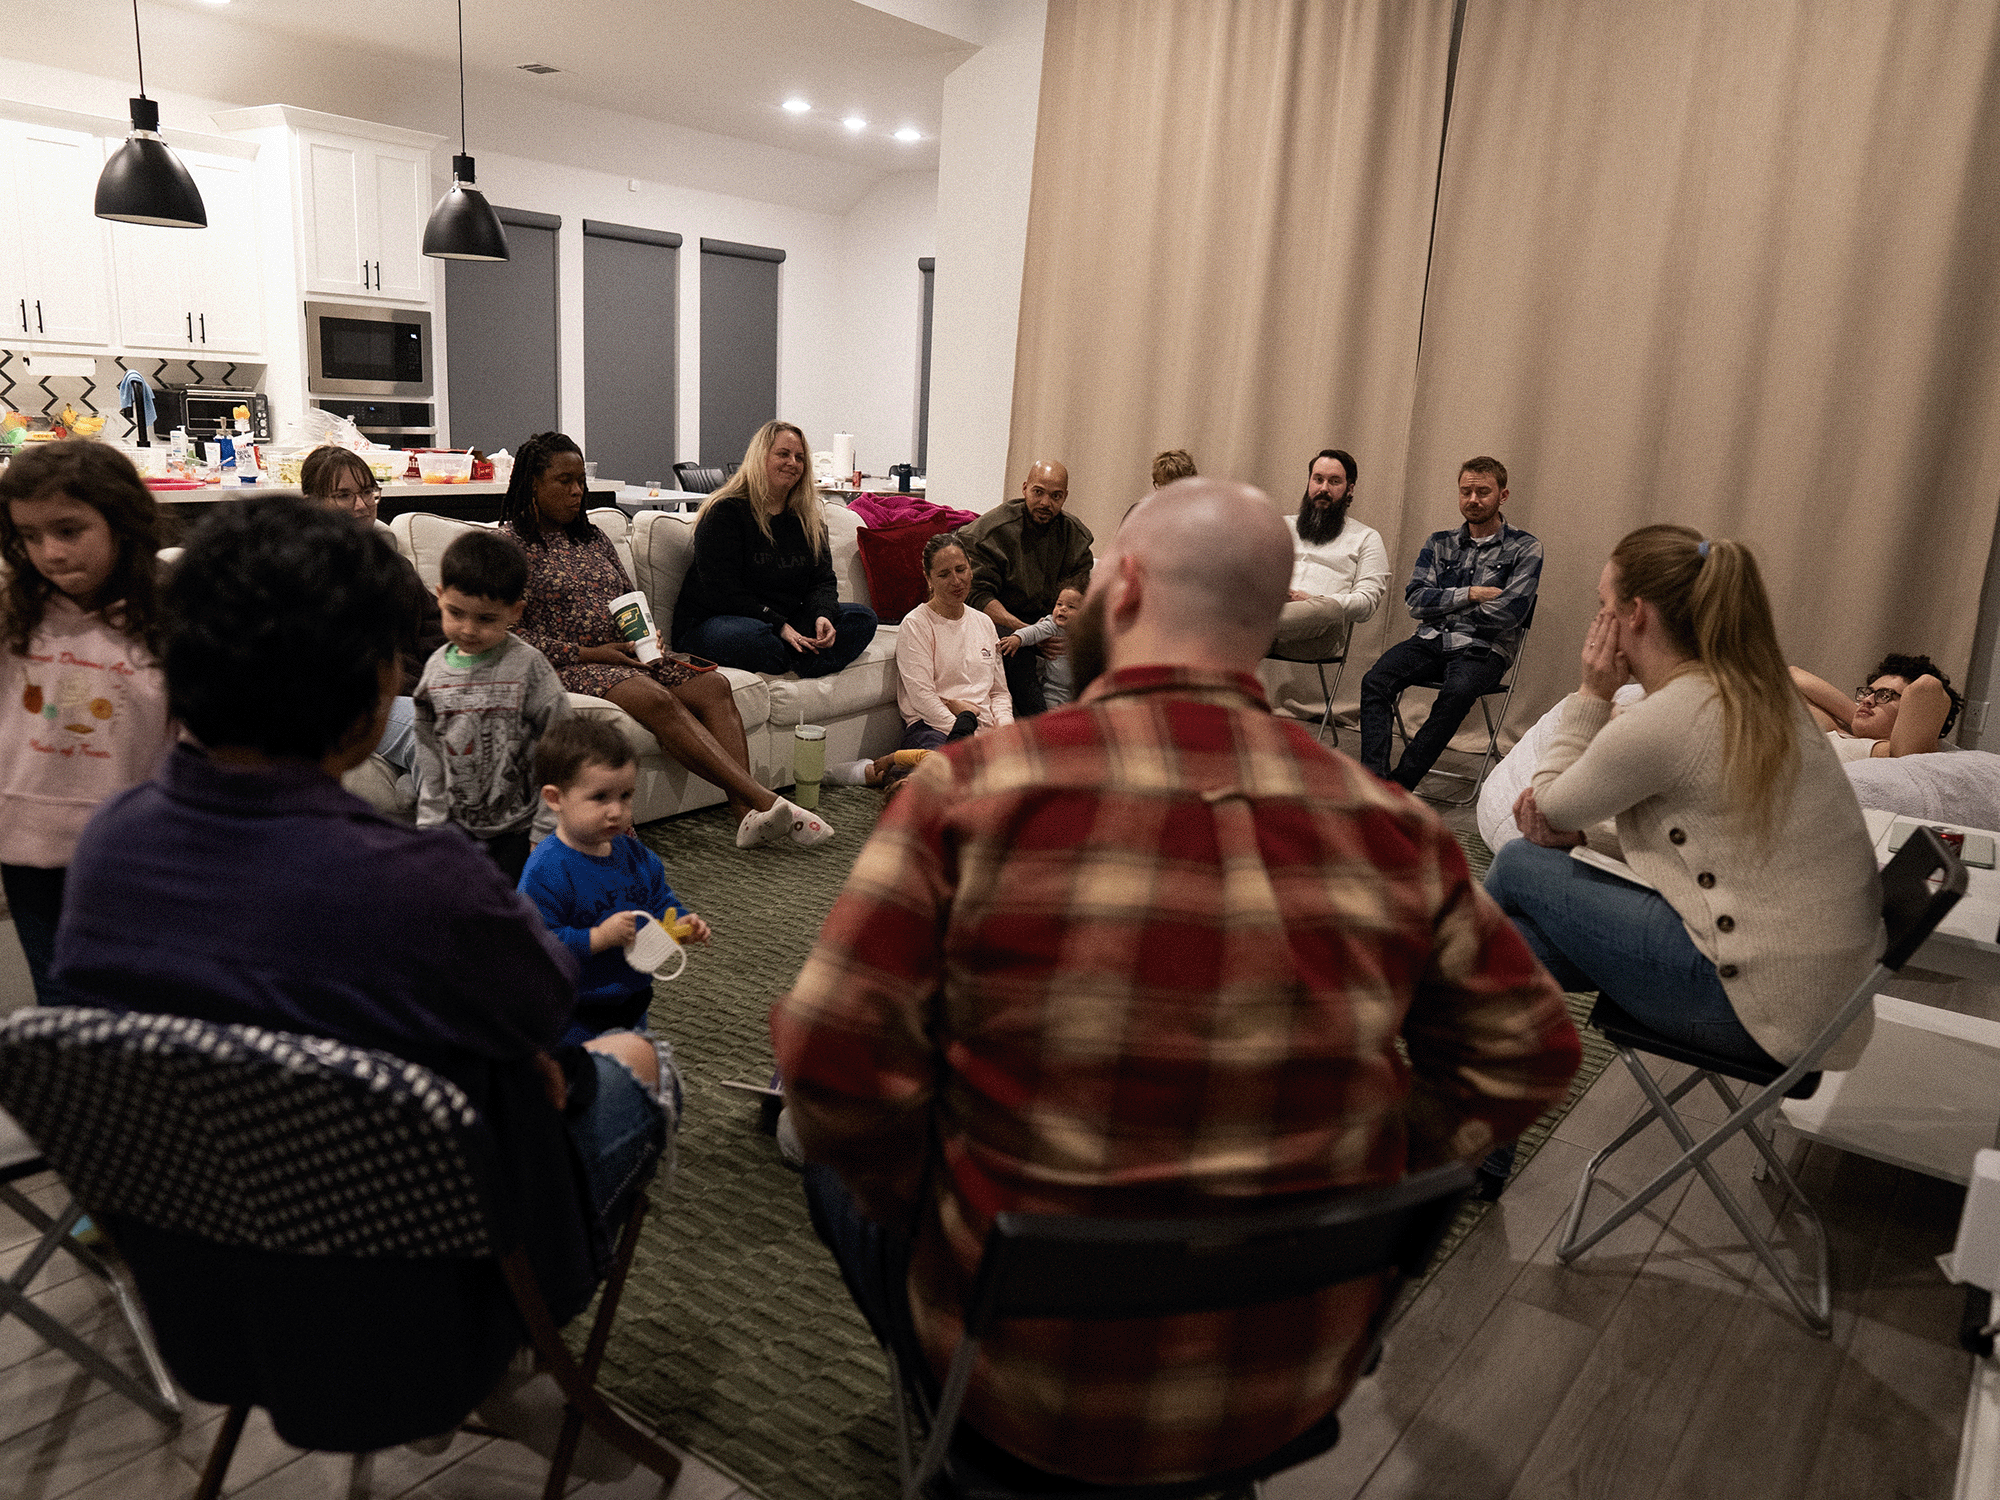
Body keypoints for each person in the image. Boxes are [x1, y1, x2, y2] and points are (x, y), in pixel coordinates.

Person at [772, 476, 1580, 1488]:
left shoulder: (969, 795)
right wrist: (1370, 1191)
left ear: (1125, 593)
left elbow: (829, 1059)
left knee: (813, 1150)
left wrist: (929, 1196)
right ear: (1266, 620)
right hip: (1284, 1373)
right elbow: (1529, 1047)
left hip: (1027, 1378)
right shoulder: (1397, 830)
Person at [50, 496, 680, 1464]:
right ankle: (502, 1353)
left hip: (216, 1300)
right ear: (370, 694)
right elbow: (542, 1002)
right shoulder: (428, 883)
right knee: (638, 1062)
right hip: (421, 1296)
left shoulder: (107, 849)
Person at [1481, 526, 1880, 1194]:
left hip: (1756, 1008)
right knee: (1514, 951)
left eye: (1603, 606)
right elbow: (1704, 842)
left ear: (1636, 614)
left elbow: (1548, 802)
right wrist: (1581, 840)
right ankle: (1478, 1151)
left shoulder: (1671, 716)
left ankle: (1412, 1032)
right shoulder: (1753, 692)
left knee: (1519, 867)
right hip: (1819, 1007)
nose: (1597, 624)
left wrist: (1592, 693)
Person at [499, 431, 830, 850]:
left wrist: (646, 633)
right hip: (574, 663)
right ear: (532, 483)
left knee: (714, 686)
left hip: (630, 652)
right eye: (564, 481)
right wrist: (591, 652)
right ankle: (763, 800)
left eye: (580, 481)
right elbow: (510, 633)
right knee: (656, 699)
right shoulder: (510, 546)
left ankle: (745, 817)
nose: (577, 491)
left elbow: (627, 598)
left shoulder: (593, 537)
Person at [0, 441, 175, 1006]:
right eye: (29, 536)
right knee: (61, 1004)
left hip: (137, 851)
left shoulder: (174, 614)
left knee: (145, 1003)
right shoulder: (12, 611)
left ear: (121, 521)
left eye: (69, 530)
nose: (49, 553)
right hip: (26, 850)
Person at [519, 717, 711, 1047]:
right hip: (571, 1013)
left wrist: (679, 924)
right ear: (554, 798)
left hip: (632, 999)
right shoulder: (547, 869)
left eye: (625, 796)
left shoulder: (636, 856)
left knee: (634, 1067)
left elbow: (659, 902)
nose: (616, 811)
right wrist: (597, 938)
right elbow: (535, 945)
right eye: (600, 797)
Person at [1358, 457, 1541, 791]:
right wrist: (1471, 594)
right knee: (1375, 681)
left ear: (1503, 495)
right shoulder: (1438, 542)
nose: (1473, 499)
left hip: (1484, 649)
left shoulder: (1525, 547)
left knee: (1457, 693)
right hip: (1431, 639)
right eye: (1465, 491)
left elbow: (1510, 612)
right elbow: (1415, 601)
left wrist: (1443, 605)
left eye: (1482, 492)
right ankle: (1373, 781)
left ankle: (1398, 788)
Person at [412, 530, 568, 883]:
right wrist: (430, 825)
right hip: (457, 827)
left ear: (515, 612)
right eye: (456, 613)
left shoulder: (528, 667)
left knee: (519, 907)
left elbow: (560, 744)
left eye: (485, 619)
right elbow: (430, 755)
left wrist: (547, 828)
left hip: (521, 830)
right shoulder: (434, 672)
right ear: (439, 597)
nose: (468, 629)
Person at [672, 421, 878, 678]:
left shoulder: (807, 520)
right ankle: (800, 658)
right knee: (757, 639)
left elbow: (822, 581)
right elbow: (722, 592)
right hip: (720, 620)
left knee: (862, 618)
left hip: (783, 620)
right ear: (761, 457)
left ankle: (792, 660)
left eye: (799, 457)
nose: (793, 462)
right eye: (783, 454)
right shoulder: (725, 512)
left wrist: (822, 615)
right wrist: (779, 625)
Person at [300, 444, 444, 777]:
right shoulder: (302, 571)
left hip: (418, 694)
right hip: (359, 705)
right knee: (434, 737)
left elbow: (436, 629)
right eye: (343, 495)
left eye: (367, 492)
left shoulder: (392, 566)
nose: (362, 506)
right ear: (312, 504)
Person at [962, 459, 1094, 717]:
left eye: (1055, 496)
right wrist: (1027, 632)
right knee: (1014, 648)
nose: (1045, 502)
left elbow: (1081, 596)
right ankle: (1039, 722)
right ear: (1024, 488)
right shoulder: (993, 531)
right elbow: (978, 595)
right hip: (1002, 620)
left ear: (1065, 497)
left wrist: (1072, 633)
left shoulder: (1075, 538)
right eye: (1038, 492)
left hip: (1052, 621)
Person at [1270, 448, 1391, 661]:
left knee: (1327, 609)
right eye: (1318, 479)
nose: (1324, 488)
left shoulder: (1366, 537)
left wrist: (1314, 601)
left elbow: (1367, 602)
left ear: (1349, 489)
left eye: (1334, 482)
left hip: (1320, 632)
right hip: (1272, 621)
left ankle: (1243, 625)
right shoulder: (1281, 526)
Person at [896, 532, 1013, 749]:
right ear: (929, 579)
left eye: (961, 570)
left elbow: (999, 692)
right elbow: (923, 699)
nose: (956, 581)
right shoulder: (916, 624)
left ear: (971, 568)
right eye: (944, 575)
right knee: (955, 766)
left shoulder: (984, 622)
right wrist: (967, 735)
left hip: (983, 729)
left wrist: (1007, 729)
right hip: (935, 728)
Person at [1791, 653, 1962, 759]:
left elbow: (1927, 686)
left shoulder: (1886, 751)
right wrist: (1856, 718)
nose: (1867, 700)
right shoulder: (1836, 727)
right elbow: (1791, 675)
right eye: (1868, 692)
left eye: (1885, 695)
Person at [997, 575, 1088, 710]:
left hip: (1079, 691)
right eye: (1059, 604)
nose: (1062, 609)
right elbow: (1034, 631)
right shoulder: (1052, 625)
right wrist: (1017, 638)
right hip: (1053, 689)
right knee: (1052, 716)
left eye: (1071, 606)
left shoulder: (1088, 630)